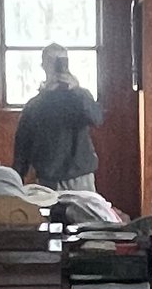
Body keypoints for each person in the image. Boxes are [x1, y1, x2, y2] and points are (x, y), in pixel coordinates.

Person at [12, 44, 102, 189]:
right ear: (44, 65)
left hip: (80, 175)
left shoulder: (80, 97)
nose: (56, 65)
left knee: (83, 212)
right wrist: (17, 180)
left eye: (61, 60)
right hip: (48, 178)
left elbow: (96, 119)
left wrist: (77, 90)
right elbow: (22, 147)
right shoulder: (35, 105)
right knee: (52, 212)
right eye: (52, 61)